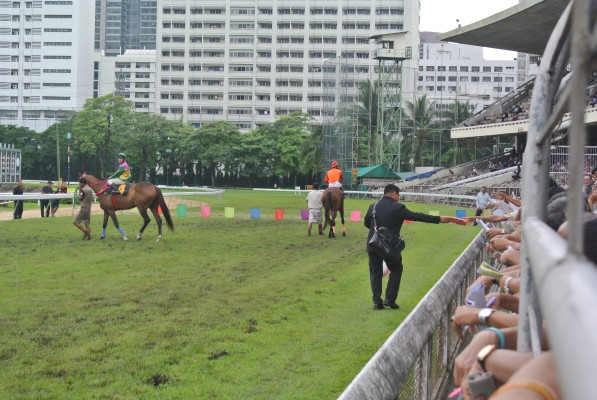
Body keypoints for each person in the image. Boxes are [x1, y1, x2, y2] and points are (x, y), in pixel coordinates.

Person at [363, 184, 466, 310]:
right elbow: (418, 216)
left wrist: (379, 234)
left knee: (375, 272)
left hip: (373, 244)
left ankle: (377, 302)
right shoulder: (398, 208)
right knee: (396, 269)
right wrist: (441, 219)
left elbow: (367, 223)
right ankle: (390, 299)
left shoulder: (373, 206)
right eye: (399, 195)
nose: (399, 198)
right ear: (394, 194)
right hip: (390, 247)